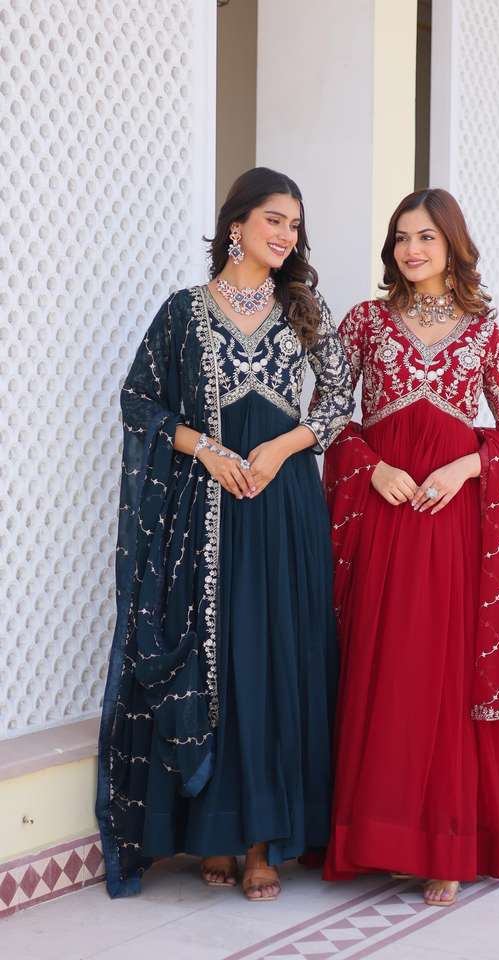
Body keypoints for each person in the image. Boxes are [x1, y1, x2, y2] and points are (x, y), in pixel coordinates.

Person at [96, 167, 354, 902]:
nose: (286, 235)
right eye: (274, 219)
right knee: (218, 659)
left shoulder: (303, 309)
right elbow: (139, 400)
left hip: (283, 506)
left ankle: (262, 841)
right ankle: (215, 829)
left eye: (295, 225)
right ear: (236, 223)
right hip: (205, 512)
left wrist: (282, 448)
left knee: (274, 658)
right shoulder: (184, 312)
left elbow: (340, 395)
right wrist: (207, 449)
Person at [322, 188, 499, 906]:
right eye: (401, 237)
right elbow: (328, 416)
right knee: (384, 670)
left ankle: (446, 846)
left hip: (454, 525)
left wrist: (464, 468)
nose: (411, 250)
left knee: (444, 679)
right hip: (384, 518)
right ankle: (375, 837)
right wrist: (372, 468)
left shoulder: (483, 331)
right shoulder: (366, 322)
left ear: (452, 243)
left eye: (425, 236)